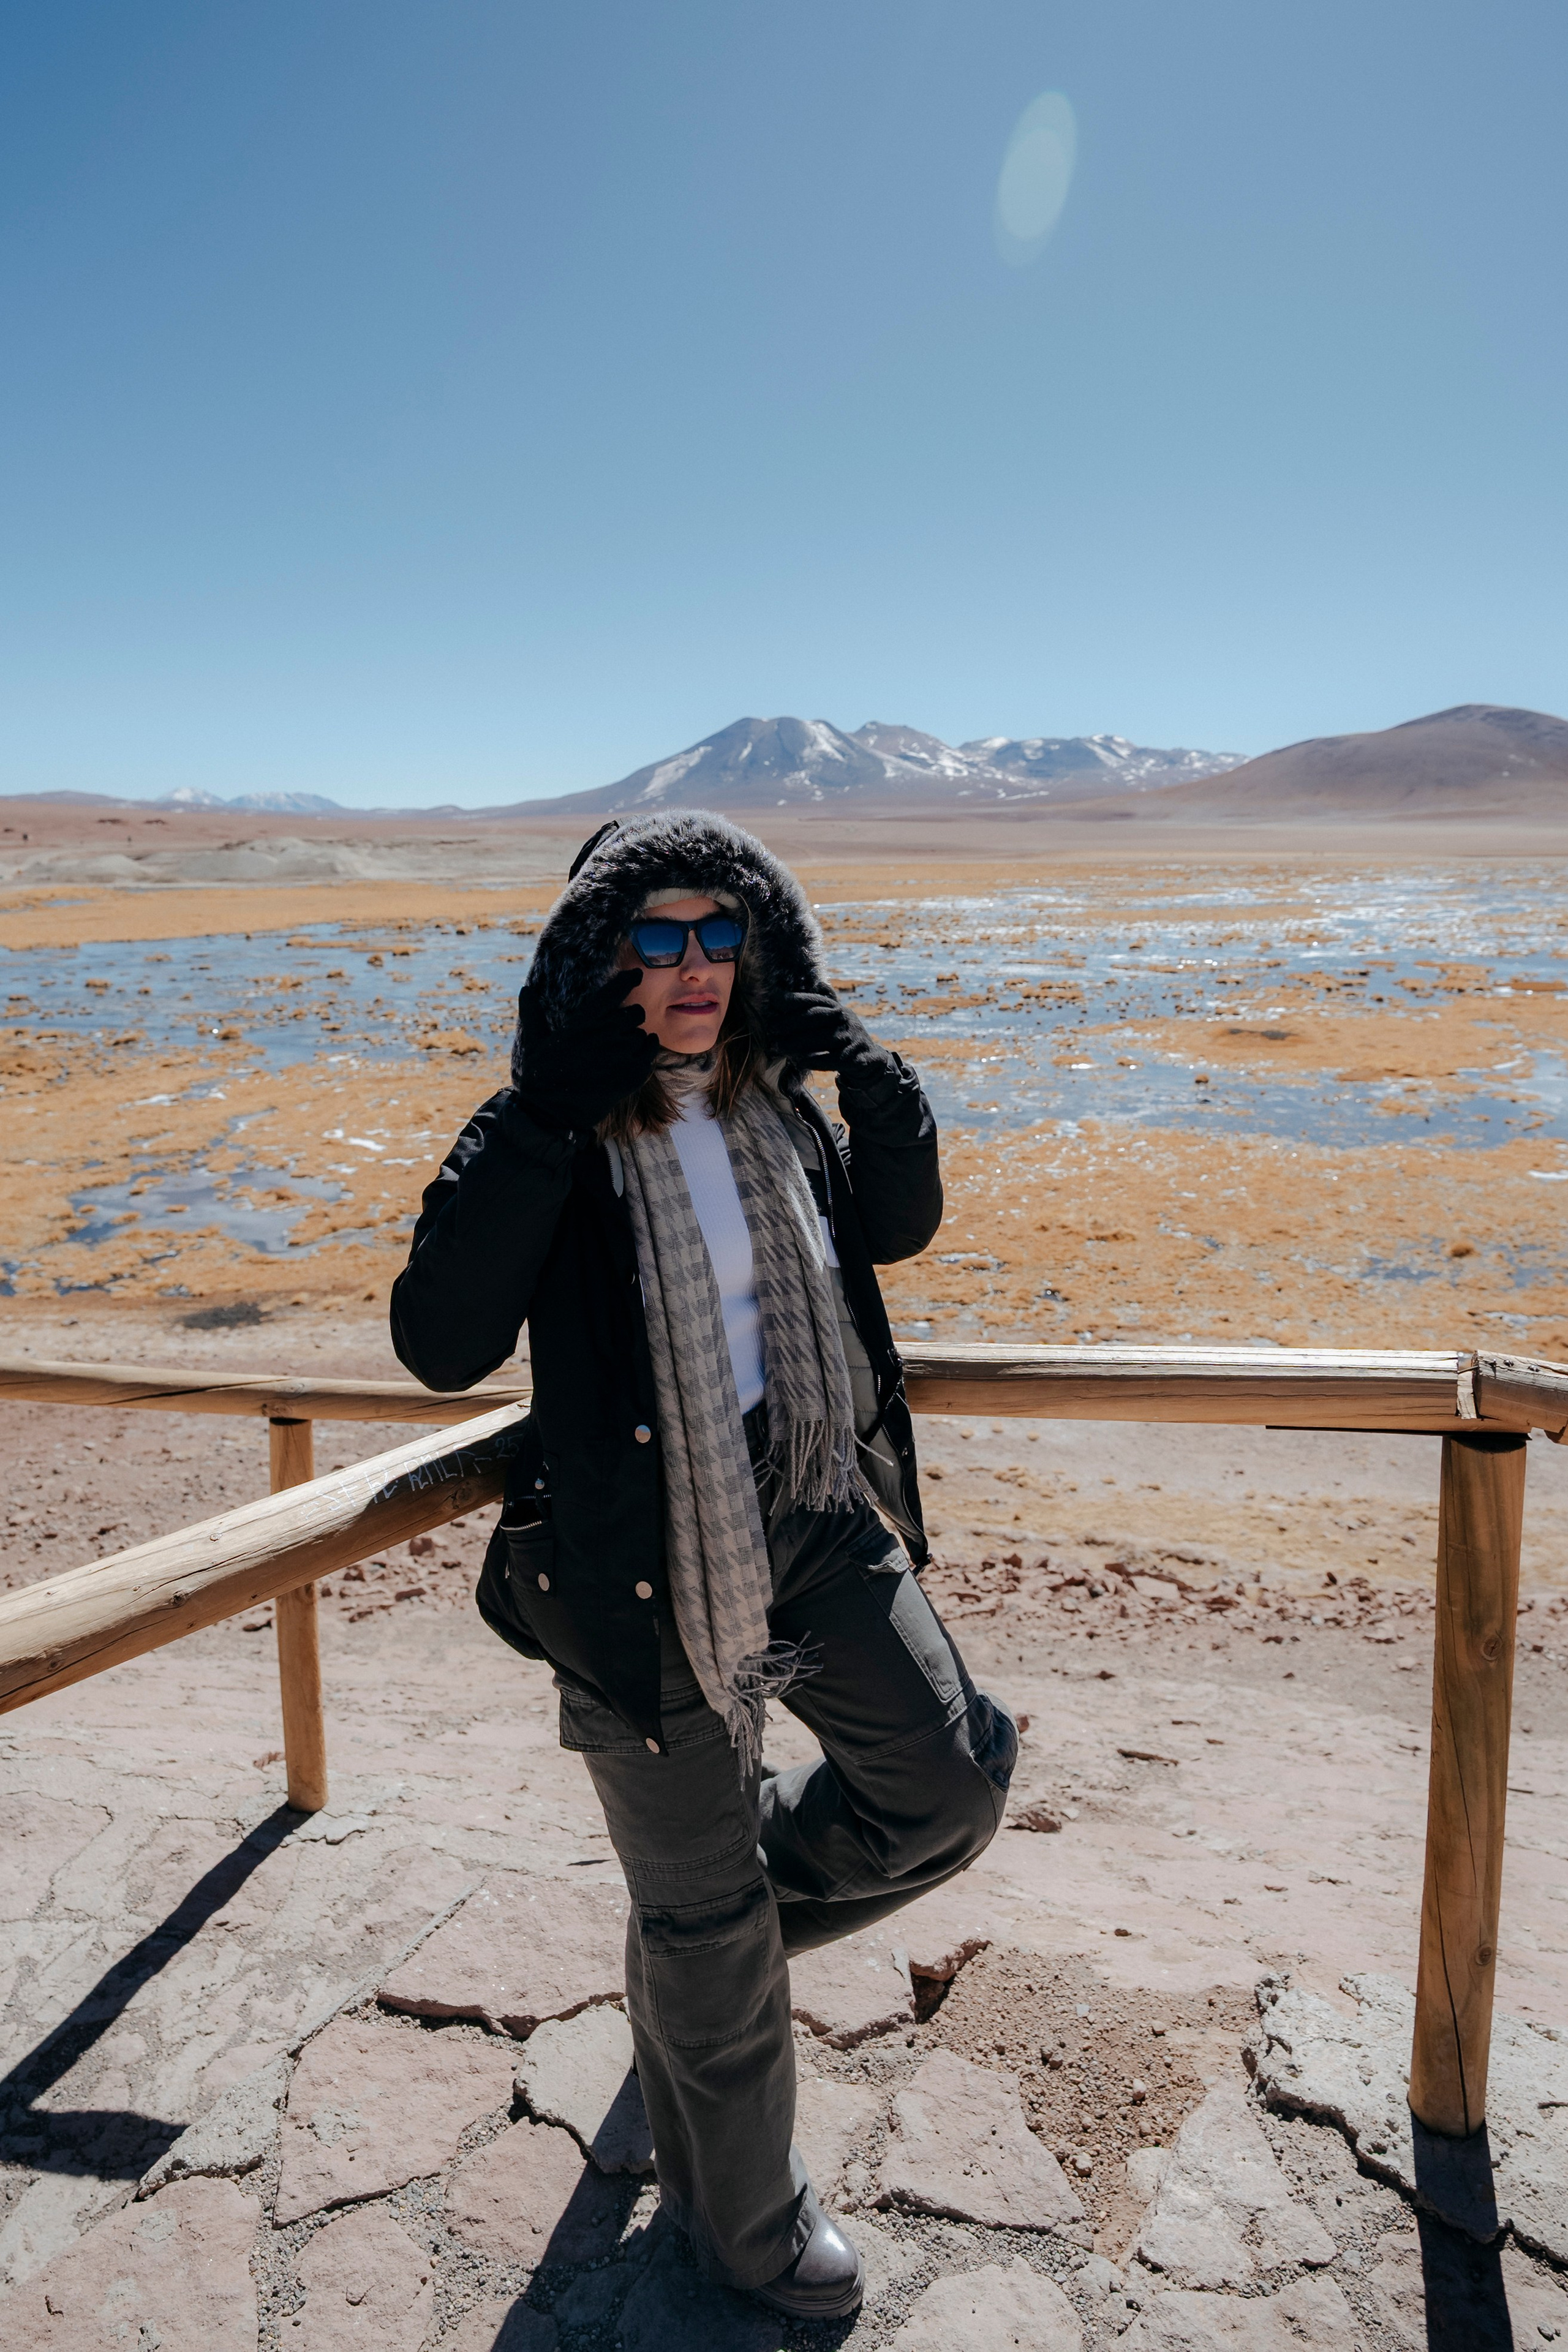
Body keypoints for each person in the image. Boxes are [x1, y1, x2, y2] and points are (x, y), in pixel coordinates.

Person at [391, 811, 1016, 2318]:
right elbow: (440, 1341)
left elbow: (897, 1225)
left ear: (758, 948)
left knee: (949, 1781)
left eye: (717, 934)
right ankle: (748, 2229)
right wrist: (539, 1118)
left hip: (806, 1509)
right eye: (653, 938)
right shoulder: (547, 1127)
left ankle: (694, 1949)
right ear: (598, 958)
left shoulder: (782, 1110)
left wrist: (866, 1068)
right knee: (706, 1924)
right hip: (634, 1566)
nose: (689, 969)